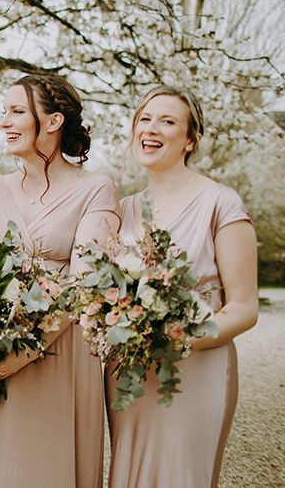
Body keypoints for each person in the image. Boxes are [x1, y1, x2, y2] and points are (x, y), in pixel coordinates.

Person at [0, 73, 120, 488]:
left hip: (59, 350)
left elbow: (85, 286)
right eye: (3, 113)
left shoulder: (96, 190)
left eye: (16, 112)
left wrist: (25, 352)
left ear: (52, 122)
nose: (4, 122)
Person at [106, 86, 258, 488]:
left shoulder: (220, 203)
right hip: (130, 373)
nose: (151, 128)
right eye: (145, 119)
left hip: (196, 369)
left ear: (191, 140)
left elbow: (244, 307)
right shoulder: (123, 210)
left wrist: (177, 338)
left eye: (167, 121)